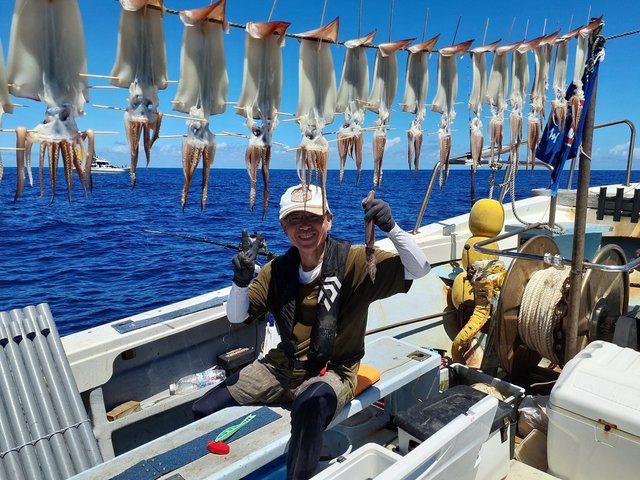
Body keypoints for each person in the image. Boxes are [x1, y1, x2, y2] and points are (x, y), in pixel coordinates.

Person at [192, 184, 430, 479]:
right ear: (283, 226)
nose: (304, 225)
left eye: (313, 217)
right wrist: (240, 281)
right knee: (205, 408)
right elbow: (238, 316)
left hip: (333, 370)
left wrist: (391, 227)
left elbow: (419, 268)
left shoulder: (354, 261)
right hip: (279, 367)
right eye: (294, 219)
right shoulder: (276, 270)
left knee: (309, 404)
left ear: (328, 220)